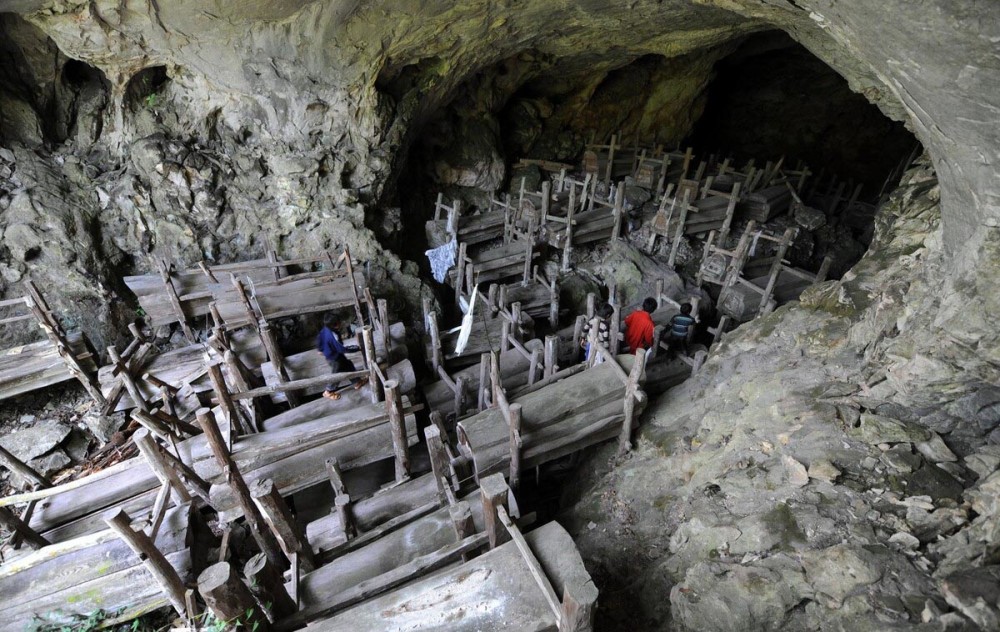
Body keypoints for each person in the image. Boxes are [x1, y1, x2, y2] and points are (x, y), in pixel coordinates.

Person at [316, 313, 364, 400]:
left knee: (348, 365)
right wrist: (356, 348)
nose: (340, 323)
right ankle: (328, 391)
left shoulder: (325, 329)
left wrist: (319, 349)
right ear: (335, 324)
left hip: (333, 354)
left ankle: (356, 382)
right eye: (339, 322)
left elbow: (319, 338)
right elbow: (341, 349)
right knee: (336, 374)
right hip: (334, 357)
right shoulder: (334, 336)